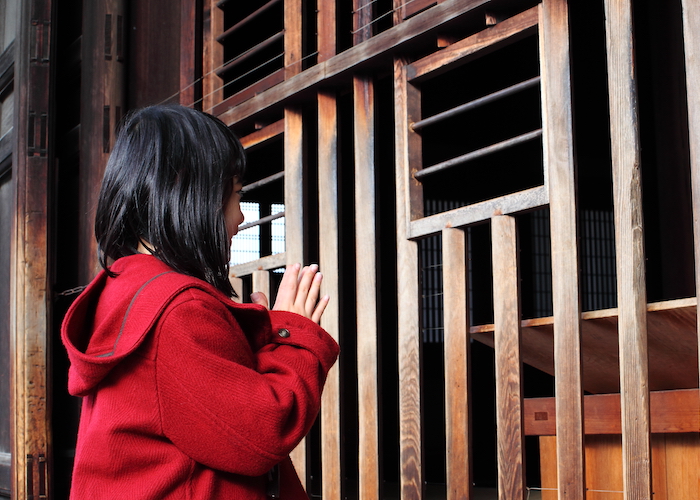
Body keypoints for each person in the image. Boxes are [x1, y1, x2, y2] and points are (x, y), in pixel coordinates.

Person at [61, 104, 339, 500]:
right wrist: (292, 335)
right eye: (237, 193)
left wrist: (256, 343)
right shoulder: (178, 309)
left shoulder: (127, 289)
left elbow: (198, 412)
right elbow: (264, 429)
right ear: (186, 185)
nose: (242, 216)